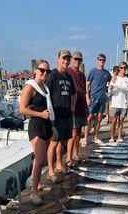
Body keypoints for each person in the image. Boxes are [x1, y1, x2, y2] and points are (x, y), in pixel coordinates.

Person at [19, 59, 53, 206]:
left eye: (47, 71)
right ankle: (34, 193)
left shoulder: (44, 87)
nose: (45, 73)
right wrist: (40, 115)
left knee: (42, 159)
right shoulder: (30, 86)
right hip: (36, 124)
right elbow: (22, 109)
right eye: (42, 70)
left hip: (46, 124)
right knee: (39, 159)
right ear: (35, 70)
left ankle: (38, 184)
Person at [46, 49, 76, 180]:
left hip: (67, 114)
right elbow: (46, 94)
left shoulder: (69, 76)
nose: (66, 61)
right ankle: (50, 171)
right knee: (53, 142)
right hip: (56, 115)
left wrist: (72, 106)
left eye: (68, 59)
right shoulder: (52, 75)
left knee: (62, 142)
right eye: (64, 58)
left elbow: (74, 93)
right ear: (58, 59)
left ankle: (59, 164)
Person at [82, 53, 111, 146]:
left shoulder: (107, 73)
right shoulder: (92, 71)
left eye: (103, 60)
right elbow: (87, 84)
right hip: (93, 96)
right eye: (100, 59)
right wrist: (87, 96)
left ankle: (95, 137)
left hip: (102, 97)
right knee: (89, 117)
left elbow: (111, 82)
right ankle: (85, 138)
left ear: (105, 61)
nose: (101, 61)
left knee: (99, 118)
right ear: (97, 60)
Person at [66, 51, 88, 164]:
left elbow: (84, 91)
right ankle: (68, 157)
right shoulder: (68, 72)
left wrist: (86, 106)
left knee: (79, 132)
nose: (77, 61)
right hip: (72, 107)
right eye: (75, 59)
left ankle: (75, 154)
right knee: (73, 132)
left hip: (81, 106)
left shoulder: (82, 75)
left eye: (79, 60)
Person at [108, 61, 128, 143]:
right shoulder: (114, 78)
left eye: (125, 68)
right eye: (121, 67)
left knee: (121, 121)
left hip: (124, 103)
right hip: (115, 103)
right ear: (119, 68)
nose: (123, 69)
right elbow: (109, 92)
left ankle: (119, 137)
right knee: (114, 121)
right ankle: (112, 137)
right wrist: (111, 88)